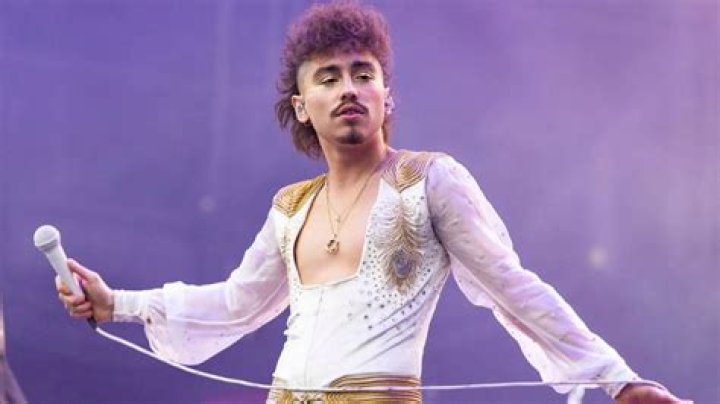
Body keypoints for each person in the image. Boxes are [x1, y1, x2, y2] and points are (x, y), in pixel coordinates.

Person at [57, 2, 689, 403]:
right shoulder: (289, 208)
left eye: (364, 73)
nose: (349, 88)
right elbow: (235, 304)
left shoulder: (430, 180)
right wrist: (118, 304)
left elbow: (514, 288)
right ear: (302, 105)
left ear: (387, 95)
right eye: (328, 77)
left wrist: (616, 379)